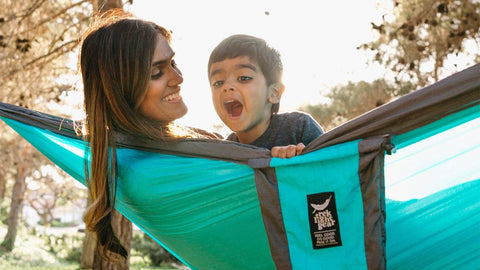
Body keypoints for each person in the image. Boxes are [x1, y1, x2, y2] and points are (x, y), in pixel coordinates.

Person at [79, 10, 219, 260]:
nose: (179, 78)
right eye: (157, 72)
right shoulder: (152, 172)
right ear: (122, 90)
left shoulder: (187, 148)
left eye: (173, 64)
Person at [207, 34, 324, 158]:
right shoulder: (225, 152)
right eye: (218, 82)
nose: (227, 86)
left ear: (274, 93)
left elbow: (331, 165)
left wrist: (300, 155)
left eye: (243, 78)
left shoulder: (299, 127)